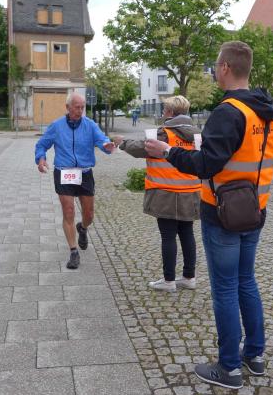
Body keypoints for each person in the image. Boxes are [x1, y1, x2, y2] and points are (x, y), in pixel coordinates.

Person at [145, 41, 273, 389]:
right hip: (255, 209)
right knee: (246, 281)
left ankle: (229, 368)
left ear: (225, 68)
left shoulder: (229, 112)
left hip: (222, 213)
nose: (214, 71)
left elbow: (206, 164)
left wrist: (168, 151)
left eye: (215, 66)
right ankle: (255, 355)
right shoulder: (266, 112)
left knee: (225, 288)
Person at [118, 95, 201, 292]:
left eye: (164, 110)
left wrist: (123, 142)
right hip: (191, 192)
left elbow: (141, 148)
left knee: (168, 236)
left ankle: (169, 281)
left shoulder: (164, 134)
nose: (163, 113)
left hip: (166, 193)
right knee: (187, 234)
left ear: (170, 112)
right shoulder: (198, 134)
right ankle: (189, 277)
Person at [35, 92, 116, 269]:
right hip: (64, 172)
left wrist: (107, 146)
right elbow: (42, 144)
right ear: (68, 107)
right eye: (77, 107)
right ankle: (73, 251)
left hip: (84, 172)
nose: (80, 111)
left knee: (89, 215)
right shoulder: (56, 126)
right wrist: (40, 158)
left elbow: (102, 140)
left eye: (82, 107)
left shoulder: (90, 125)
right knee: (69, 211)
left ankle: (83, 228)